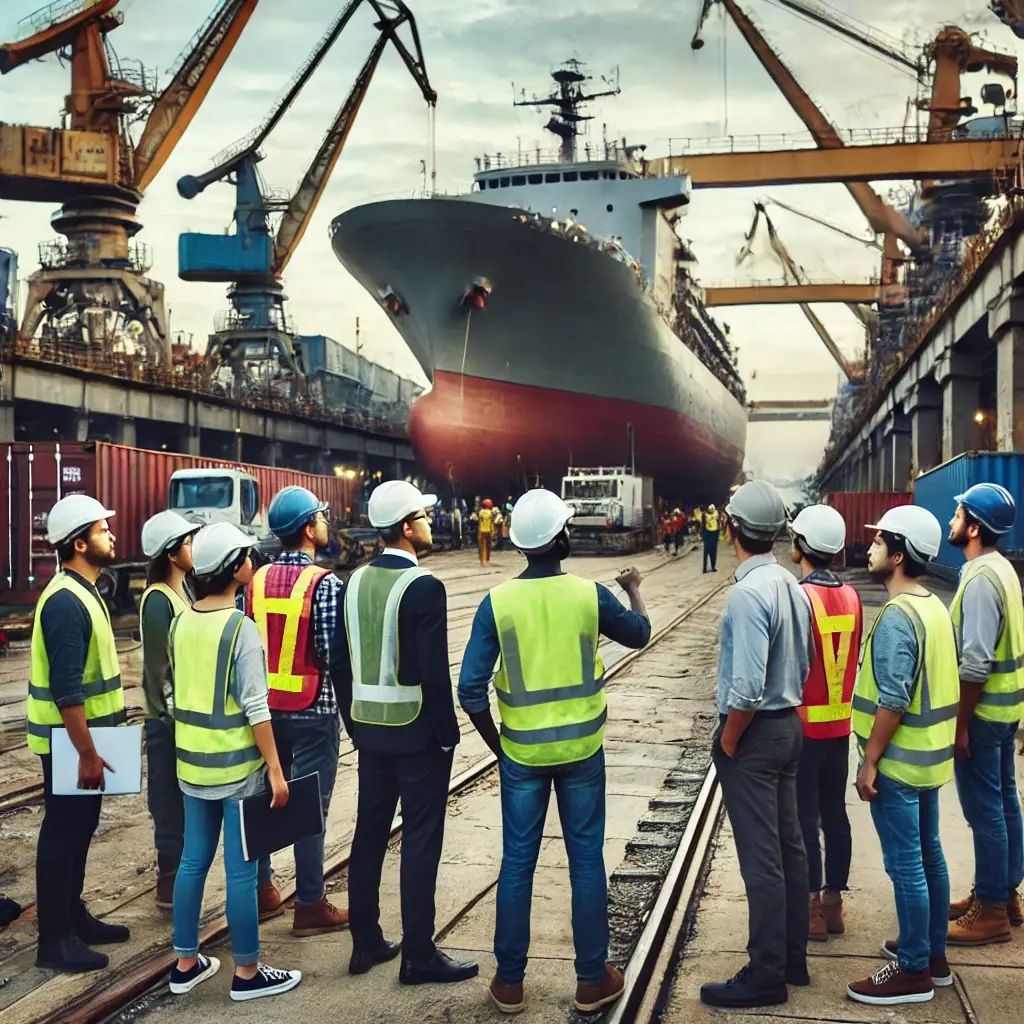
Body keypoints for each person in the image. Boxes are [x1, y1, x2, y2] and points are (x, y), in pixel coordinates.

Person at [459, 489, 652, 1014]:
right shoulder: (590, 595)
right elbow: (639, 634)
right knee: (586, 860)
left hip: (521, 754)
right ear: (563, 539)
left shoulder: (497, 603)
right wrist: (634, 590)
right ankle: (592, 978)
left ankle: (510, 983)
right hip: (582, 751)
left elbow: (469, 690)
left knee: (518, 862)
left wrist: (499, 748)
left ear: (522, 545)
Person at [337, 480, 476, 984]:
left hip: (370, 734)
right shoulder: (423, 587)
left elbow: (338, 662)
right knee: (420, 840)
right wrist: (447, 734)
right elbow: (434, 672)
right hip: (417, 735)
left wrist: (355, 725)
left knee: (369, 834)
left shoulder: (350, 582)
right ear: (404, 527)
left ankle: (365, 943)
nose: (430, 522)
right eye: (423, 515)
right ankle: (418, 953)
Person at [168, 522, 302, 1003]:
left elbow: (174, 690)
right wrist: (275, 768)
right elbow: (256, 707)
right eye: (246, 555)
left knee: (192, 861)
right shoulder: (239, 629)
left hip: (191, 766)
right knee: (242, 871)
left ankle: (185, 963)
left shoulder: (181, 621)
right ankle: (247, 973)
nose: (253, 560)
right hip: (236, 769)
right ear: (233, 568)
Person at [701, 480, 812, 1009]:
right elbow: (806, 663)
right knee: (790, 847)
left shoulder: (747, 594)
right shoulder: (792, 584)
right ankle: (793, 958)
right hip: (790, 725)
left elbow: (744, 688)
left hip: (756, 732)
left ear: (734, 528)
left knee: (762, 859)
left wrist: (728, 741)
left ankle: (766, 975)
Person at [846, 505, 958, 1006]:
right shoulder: (933, 605)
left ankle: (912, 968)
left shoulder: (897, 616)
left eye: (878, 542)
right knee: (929, 858)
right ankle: (933, 955)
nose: (868, 548)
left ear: (896, 556)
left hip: (898, 763)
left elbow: (893, 698)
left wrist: (870, 761)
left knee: (907, 865)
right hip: (930, 760)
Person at [27, 494, 130, 972]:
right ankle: (55, 939)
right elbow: (67, 690)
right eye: (100, 529)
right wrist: (87, 753)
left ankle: (72, 915)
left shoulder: (84, 590)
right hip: (71, 742)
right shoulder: (67, 603)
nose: (109, 533)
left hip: (88, 739)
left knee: (81, 828)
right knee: (63, 834)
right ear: (78, 543)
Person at [245, 486, 349, 935]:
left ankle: (264, 891)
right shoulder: (325, 584)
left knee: (268, 797)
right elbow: (331, 654)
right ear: (309, 529)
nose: (325, 523)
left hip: (264, 713)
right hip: (313, 709)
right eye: (321, 517)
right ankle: (309, 903)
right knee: (309, 808)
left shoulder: (254, 582)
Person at [946, 483, 1024, 945]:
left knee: (985, 810)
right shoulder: (1003, 569)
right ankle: (1003, 892)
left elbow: (974, 662)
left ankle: (991, 910)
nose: (952, 520)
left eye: (959, 514)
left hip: (984, 713)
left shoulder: (978, 581)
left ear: (974, 528)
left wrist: (960, 725)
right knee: (1005, 802)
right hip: (1007, 709)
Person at [789, 505, 862, 941]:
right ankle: (834, 906)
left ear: (801, 546)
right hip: (840, 729)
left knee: (803, 820)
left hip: (804, 730)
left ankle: (813, 909)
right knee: (836, 817)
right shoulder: (852, 596)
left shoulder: (800, 596)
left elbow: (794, 664)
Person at [140, 510, 199, 910]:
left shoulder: (183, 592)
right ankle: (169, 877)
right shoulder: (159, 599)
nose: (194, 548)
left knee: (183, 794)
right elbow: (157, 671)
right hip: (167, 719)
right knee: (167, 795)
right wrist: (171, 718)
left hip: (184, 714)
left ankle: (179, 875)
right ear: (172, 553)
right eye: (189, 543)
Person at [703, 503, 721, 573]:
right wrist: (704, 536)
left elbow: (718, 522)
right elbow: (703, 524)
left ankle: (713, 567)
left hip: (714, 533)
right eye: (710, 510)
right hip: (707, 534)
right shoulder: (705, 515)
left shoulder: (716, 513)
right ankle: (704, 568)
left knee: (713, 552)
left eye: (712, 510)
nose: (711, 511)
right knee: (706, 552)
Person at [479, 498, 494, 565]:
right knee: (488, 546)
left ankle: (483, 560)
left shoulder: (481, 512)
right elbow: (491, 523)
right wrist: (493, 531)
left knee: (483, 547)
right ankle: (487, 559)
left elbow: (479, 521)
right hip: (489, 530)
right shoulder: (490, 512)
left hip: (482, 531)